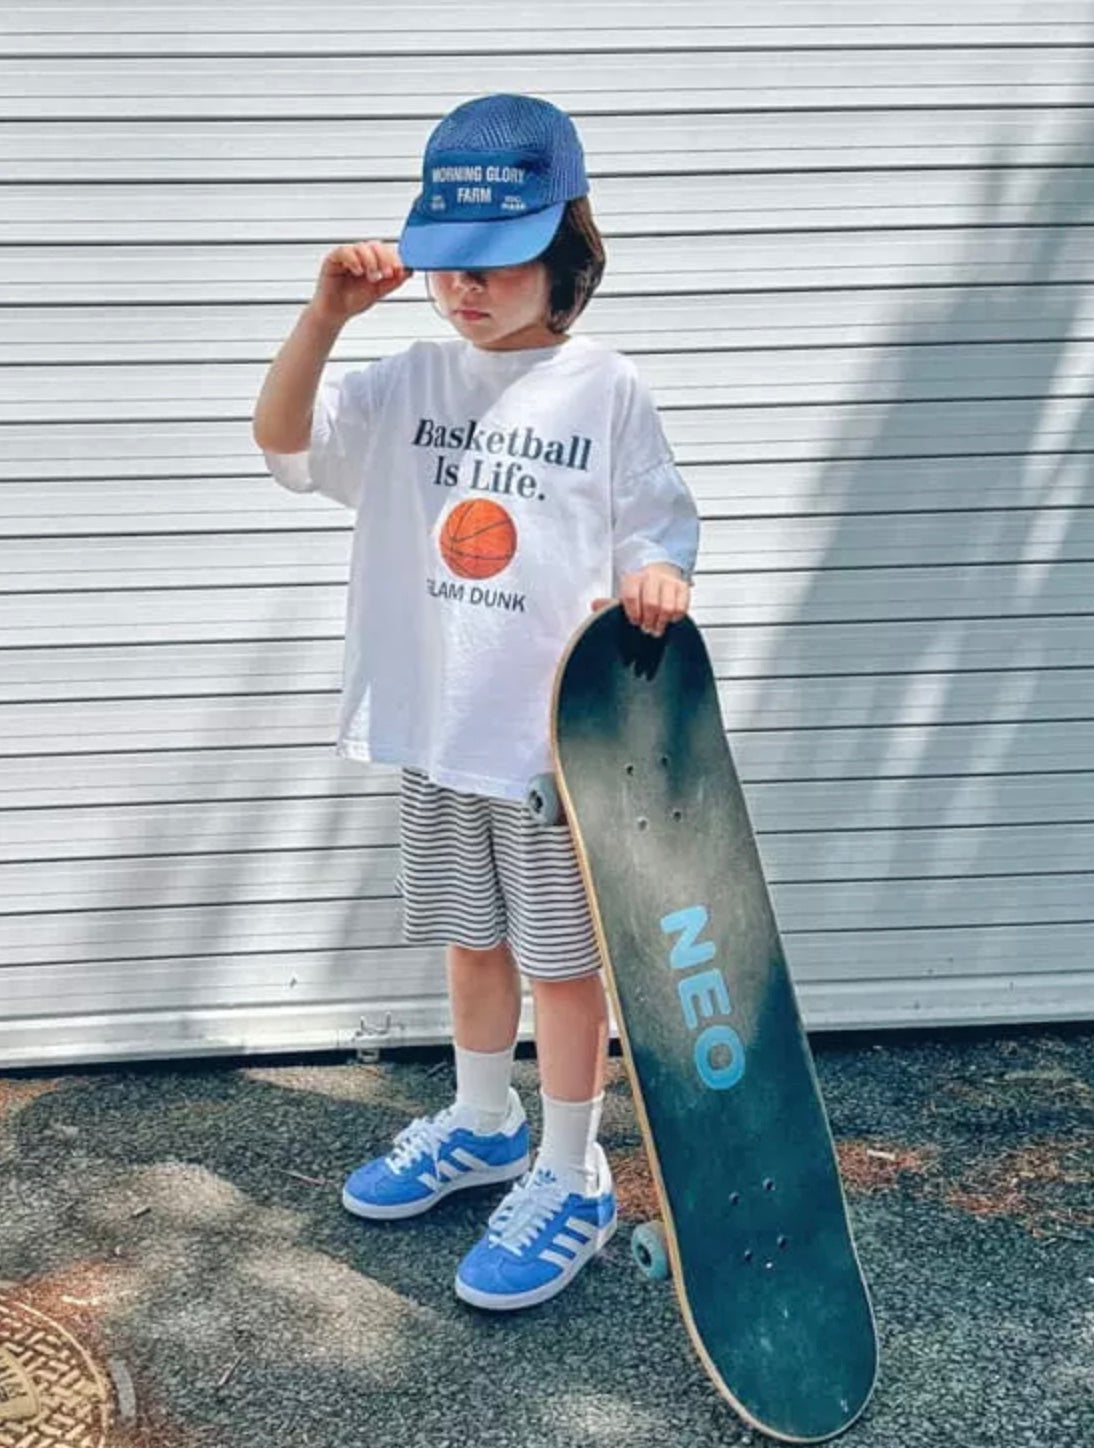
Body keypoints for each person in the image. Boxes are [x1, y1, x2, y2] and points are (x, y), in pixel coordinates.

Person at [252, 93, 699, 1311]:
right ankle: (483, 1119)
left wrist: (657, 573)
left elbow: (656, 524)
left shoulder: (604, 391)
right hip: (439, 727)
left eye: (498, 263)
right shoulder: (404, 378)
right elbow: (283, 442)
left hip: (551, 746)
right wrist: (323, 316)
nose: (465, 289)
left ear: (566, 251)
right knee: (470, 938)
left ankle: (570, 1171)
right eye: (448, 264)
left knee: (563, 967)